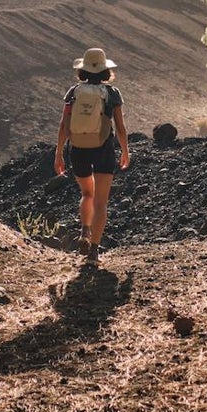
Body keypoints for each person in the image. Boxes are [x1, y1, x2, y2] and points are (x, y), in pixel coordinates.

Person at [53, 47, 130, 266]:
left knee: (87, 193)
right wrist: (125, 151)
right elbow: (121, 128)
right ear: (106, 70)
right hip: (103, 148)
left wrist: (58, 153)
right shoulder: (112, 94)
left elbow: (63, 126)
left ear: (83, 70)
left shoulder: (73, 92)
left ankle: (85, 230)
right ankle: (94, 251)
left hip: (78, 148)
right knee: (101, 202)